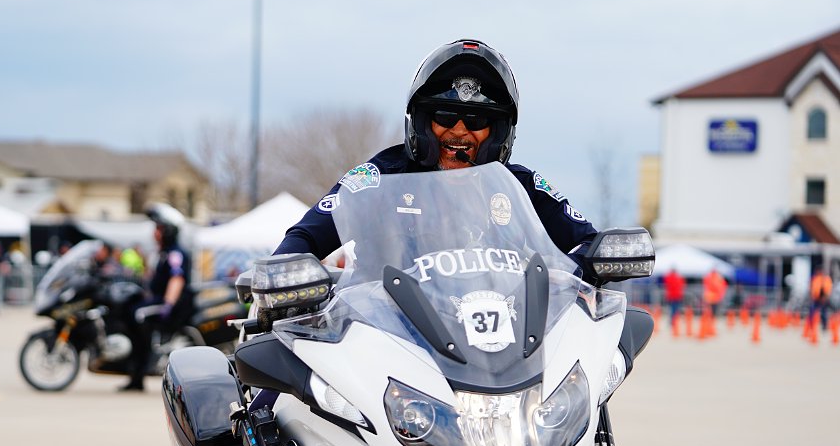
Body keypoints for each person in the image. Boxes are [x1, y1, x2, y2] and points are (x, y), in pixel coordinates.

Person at [275, 38, 599, 280]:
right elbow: (304, 237)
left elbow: (589, 242)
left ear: (498, 132)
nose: (458, 131)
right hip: (388, 342)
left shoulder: (521, 186)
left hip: (502, 348)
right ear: (422, 122)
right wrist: (282, 274)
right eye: (444, 117)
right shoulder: (378, 177)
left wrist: (571, 277)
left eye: (475, 121)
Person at [121, 203, 195, 391]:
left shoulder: (175, 254)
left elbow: (176, 279)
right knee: (130, 309)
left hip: (172, 303)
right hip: (159, 298)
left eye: (159, 229)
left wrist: (167, 305)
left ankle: (145, 364)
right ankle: (136, 372)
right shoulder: (164, 253)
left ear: (168, 231)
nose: (155, 233)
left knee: (138, 316)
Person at [809, 266, 833, 331]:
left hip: (824, 298)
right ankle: (812, 325)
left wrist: (825, 297)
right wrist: (813, 296)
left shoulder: (826, 279)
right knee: (813, 311)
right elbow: (813, 289)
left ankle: (824, 326)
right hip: (816, 298)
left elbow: (828, 289)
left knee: (823, 312)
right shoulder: (816, 279)